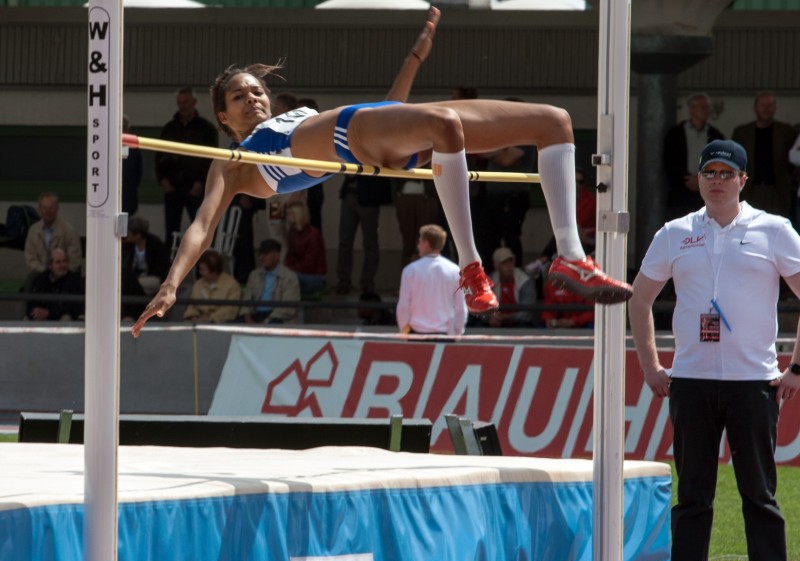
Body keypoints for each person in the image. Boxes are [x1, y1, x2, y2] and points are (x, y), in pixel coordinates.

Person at [132, 8, 631, 338]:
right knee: (445, 123)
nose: (253, 98)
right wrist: (174, 282)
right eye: (238, 97)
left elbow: (390, 112)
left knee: (553, 122)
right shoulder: (233, 161)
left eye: (256, 90)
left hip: (371, 133)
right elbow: (202, 224)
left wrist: (414, 58)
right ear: (223, 116)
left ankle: (570, 257)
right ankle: (472, 266)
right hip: (352, 133)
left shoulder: (293, 116)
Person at [628, 140, 799, 561]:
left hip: (754, 384)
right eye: (710, 173)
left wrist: (797, 368)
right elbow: (639, 298)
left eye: (727, 174)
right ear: (698, 179)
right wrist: (650, 364)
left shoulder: (775, 230)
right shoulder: (675, 232)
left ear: (743, 180)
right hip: (692, 383)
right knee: (692, 499)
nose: (717, 181)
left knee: (760, 497)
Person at [155, 87, 219, 242]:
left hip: (195, 188)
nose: (182, 106)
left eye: (186, 102)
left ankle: (202, 264)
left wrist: (202, 182)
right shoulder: (169, 128)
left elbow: (211, 159)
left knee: (200, 228)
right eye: (180, 103)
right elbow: (159, 156)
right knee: (170, 231)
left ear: (194, 103)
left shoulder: (207, 129)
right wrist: (162, 180)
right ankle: (170, 265)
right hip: (172, 187)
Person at [478, 100, 536, 265]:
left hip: (512, 197)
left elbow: (506, 159)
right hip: (492, 196)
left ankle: (515, 276)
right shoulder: (500, 135)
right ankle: (489, 277)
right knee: (486, 238)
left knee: (511, 238)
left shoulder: (526, 135)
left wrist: (494, 152)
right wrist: (499, 150)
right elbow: (480, 151)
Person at [731, 91, 798, 219]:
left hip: (777, 192)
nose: (766, 108)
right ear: (755, 108)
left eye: (770, 105)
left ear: (775, 108)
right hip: (749, 191)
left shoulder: (787, 132)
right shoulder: (741, 133)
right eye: (762, 105)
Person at [662, 92, 725, 221]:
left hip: (708, 192)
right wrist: (687, 180)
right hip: (681, 192)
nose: (705, 110)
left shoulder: (715, 135)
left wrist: (703, 179)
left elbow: (722, 162)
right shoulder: (676, 133)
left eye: (707, 107)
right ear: (691, 109)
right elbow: (669, 161)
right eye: (701, 107)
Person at [396, 224, 466, 336]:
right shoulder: (454, 270)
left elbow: (404, 305)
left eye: (420, 242)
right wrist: (458, 331)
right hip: (444, 335)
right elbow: (460, 307)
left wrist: (404, 331)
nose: (418, 245)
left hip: (416, 334)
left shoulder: (410, 270)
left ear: (426, 244)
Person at [335, 174, 389, 295]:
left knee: (370, 243)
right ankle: (343, 281)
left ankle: (367, 282)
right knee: (344, 241)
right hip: (349, 194)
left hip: (370, 196)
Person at [24, 192, 82, 287]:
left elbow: (74, 261)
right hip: (39, 274)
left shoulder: (69, 231)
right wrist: (46, 272)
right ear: (39, 209)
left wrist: (59, 272)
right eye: (45, 208)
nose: (48, 211)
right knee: (30, 285)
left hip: (65, 275)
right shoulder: (33, 231)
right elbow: (30, 258)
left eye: (51, 208)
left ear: (57, 208)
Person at [240, 239, 300, 324]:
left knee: (274, 324)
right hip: (255, 314)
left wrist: (266, 321)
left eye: (266, 254)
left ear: (277, 255)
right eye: (260, 254)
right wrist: (248, 319)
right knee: (231, 325)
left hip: (277, 317)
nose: (262, 257)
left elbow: (288, 308)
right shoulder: (254, 275)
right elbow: (245, 301)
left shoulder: (289, 277)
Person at [483, 247, 536, 328]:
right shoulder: (489, 281)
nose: (509, 266)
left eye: (511, 261)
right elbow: (482, 308)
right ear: (496, 266)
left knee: (524, 326)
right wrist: (491, 317)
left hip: (518, 323)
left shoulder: (525, 280)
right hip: (496, 322)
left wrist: (506, 318)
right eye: (504, 262)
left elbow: (527, 313)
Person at [182, 250, 241, 323]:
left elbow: (230, 310)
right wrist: (193, 316)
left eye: (203, 270)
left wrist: (210, 319)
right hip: (198, 320)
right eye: (200, 269)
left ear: (214, 271)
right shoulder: (198, 284)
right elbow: (192, 305)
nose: (200, 273)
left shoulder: (232, 285)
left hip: (221, 322)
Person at [27, 247, 84, 321]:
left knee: (66, 318)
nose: (62, 265)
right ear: (50, 265)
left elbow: (74, 308)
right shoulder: (40, 280)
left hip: (62, 320)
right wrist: (37, 312)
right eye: (58, 262)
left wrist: (49, 313)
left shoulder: (74, 281)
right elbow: (30, 304)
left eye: (64, 261)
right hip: (42, 321)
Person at [284, 197, 327, 295]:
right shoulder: (292, 232)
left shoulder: (313, 235)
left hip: (315, 277)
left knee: (288, 280)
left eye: (289, 214)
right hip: (297, 272)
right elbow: (289, 255)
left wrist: (289, 271)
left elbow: (309, 264)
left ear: (297, 215)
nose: (286, 217)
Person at [395, 178, 441, 267]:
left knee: (427, 240)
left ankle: (426, 275)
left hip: (427, 196)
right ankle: (408, 276)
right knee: (408, 242)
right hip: (404, 194)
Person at [122, 216, 171, 295]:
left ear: (138, 235)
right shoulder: (129, 246)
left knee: (132, 285)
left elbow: (162, 267)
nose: (127, 235)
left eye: (129, 233)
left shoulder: (155, 244)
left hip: (153, 276)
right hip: (136, 276)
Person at [297, 97, 326, 232]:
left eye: (299, 111)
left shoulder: (320, 131)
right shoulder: (298, 133)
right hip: (299, 187)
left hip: (312, 189)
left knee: (312, 227)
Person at [121, 114, 143, 216]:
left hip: (127, 200)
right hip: (108, 201)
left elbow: (138, 174)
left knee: (125, 229)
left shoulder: (134, 148)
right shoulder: (103, 147)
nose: (120, 131)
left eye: (123, 127)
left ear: (128, 130)